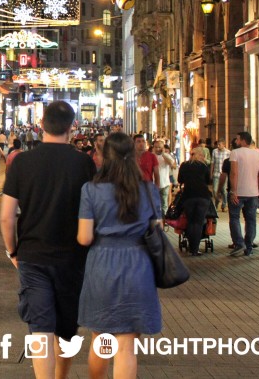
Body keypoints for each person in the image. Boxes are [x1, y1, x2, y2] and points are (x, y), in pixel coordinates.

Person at [1, 101, 95, 379]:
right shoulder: (84, 163)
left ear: (41, 125)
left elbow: (7, 217)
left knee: (40, 328)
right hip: (73, 257)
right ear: (72, 127)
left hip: (32, 255)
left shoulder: (23, 162)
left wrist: (12, 251)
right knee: (67, 329)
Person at [77, 132, 162, 379]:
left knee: (102, 340)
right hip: (139, 267)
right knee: (126, 347)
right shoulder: (148, 190)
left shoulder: (91, 190)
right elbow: (156, 230)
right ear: (134, 156)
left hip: (102, 267)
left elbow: (84, 238)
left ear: (104, 156)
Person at [229, 131, 259, 257]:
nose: (236, 141)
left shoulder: (235, 153)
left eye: (238, 139)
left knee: (234, 217)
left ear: (243, 140)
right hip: (253, 192)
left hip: (239, 191)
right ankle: (249, 246)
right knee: (251, 219)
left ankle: (239, 243)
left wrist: (234, 191)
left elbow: (234, 173)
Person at [177, 145, 212, 256]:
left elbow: (180, 180)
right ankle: (195, 249)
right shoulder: (203, 166)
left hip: (188, 196)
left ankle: (191, 246)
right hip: (203, 196)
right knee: (199, 222)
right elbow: (208, 181)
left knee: (191, 221)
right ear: (200, 155)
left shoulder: (184, 165)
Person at [152, 138, 176, 213]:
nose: (157, 149)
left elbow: (173, 165)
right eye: (155, 147)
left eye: (159, 147)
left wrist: (163, 154)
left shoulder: (166, 156)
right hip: (154, 184)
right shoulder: (152, 156)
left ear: (162, 148)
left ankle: (164, 220)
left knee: (164, 204)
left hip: (165, 183)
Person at [211, 139, 231, 210]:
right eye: (217, 144)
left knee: (224, 190)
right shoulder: (214, 151)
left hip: (224, 174)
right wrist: (211, 172)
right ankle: (217, 202)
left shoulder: (228, 152)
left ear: (224, 145)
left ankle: (224, 204)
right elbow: (212, 162)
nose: (218, 146)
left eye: (220, 144)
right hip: (216, 173)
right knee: (215, 190)